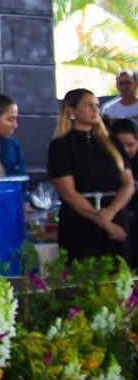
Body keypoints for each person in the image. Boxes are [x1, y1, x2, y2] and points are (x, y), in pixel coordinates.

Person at [47, 89, 134, 266]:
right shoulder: (61, 146)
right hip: (79, 219)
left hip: (115, 213)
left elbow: (128, 183)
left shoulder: (112, 143)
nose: (95, 109)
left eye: (97, 105)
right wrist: (103, 221)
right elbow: (68, 192)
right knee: (84, 272)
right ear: (71, 110)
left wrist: (111, 212)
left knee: (118, 273)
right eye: (89, 105)